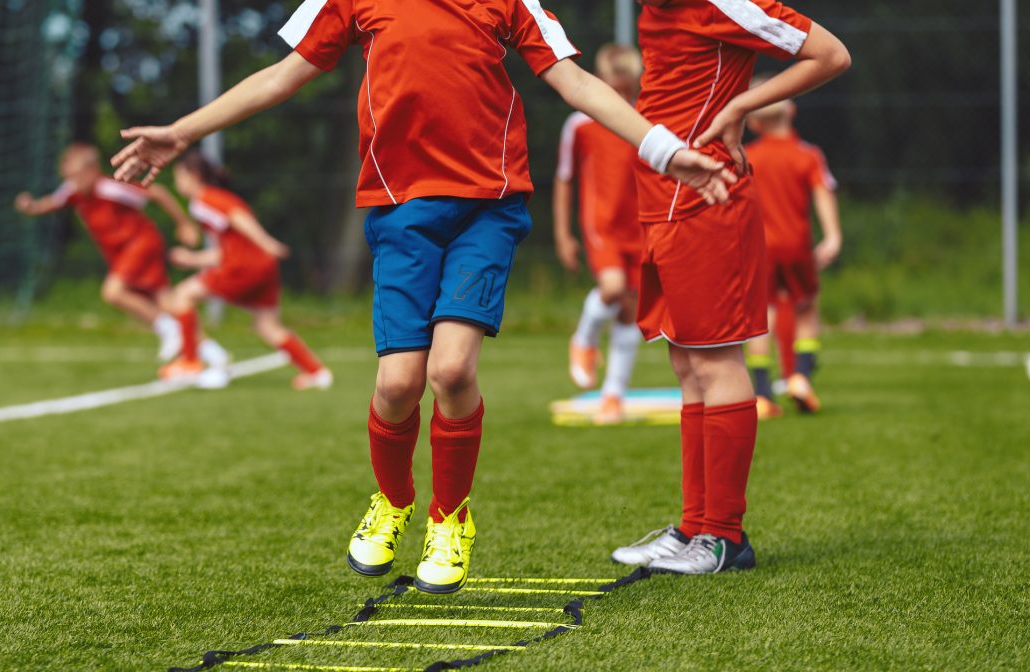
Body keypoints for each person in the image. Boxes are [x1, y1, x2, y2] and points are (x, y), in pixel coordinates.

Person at [110, 0, 734, 593]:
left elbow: (577, 82)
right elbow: (282, 75)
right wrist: (182, 133)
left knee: (453, 368)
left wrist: (663, 150)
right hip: (399, 214)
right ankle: (394, 501)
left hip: (488, 211)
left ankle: (449, 516)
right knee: (397, 385)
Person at [610, 0, 850, 575]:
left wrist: (742, 103)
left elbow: (832, 54)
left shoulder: (724, 3)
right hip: (662, 201)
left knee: (716, 362)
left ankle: (724, 536)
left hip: (708, 199)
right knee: (689, 365)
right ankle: (694, 526)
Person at [161, 150, 333, 391]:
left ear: (194, 175)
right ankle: (316, 373)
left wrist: (267, 241)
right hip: (262, 266)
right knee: (268, 326)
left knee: (181, 296)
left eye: (179, 176)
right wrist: (193, 260)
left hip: (243, 268)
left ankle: (190, 362)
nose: (177, 182)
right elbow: (230, 247)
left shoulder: (203, 200)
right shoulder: (215, 199)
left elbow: (237, 217)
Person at [14, 143, 195, 361]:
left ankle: (168, 328)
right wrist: (31, 207)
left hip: (139, 244)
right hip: (123, 253)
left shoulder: (109, 188)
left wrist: (184, 224)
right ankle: (209, 353)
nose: (72, 182)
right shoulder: (73, 190)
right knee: (166, 301)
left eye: (77, 176)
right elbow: (53, 202)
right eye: (69, 177)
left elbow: (158, 193)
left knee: (113, 291)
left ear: (91, 170)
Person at [554, 43, 646, 425]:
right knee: (612, 288)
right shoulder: (580, 124)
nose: (622, 86)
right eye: (616, 77)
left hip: (640, 227)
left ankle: (613, 395)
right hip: (602, 225)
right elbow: (564, 179)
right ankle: (585, 340)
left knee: (630, 309)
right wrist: (563, 234)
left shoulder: (646, 119)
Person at [744, 79, 842, 417]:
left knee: (763, 314)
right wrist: (832, 236)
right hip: (797, 246)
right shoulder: (808, 156)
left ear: (754, 122)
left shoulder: (748, 156)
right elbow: (823, 194)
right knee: (806, 306)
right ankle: (801, 374)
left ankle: (761, 392)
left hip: (760, 248)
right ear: (792, 111)